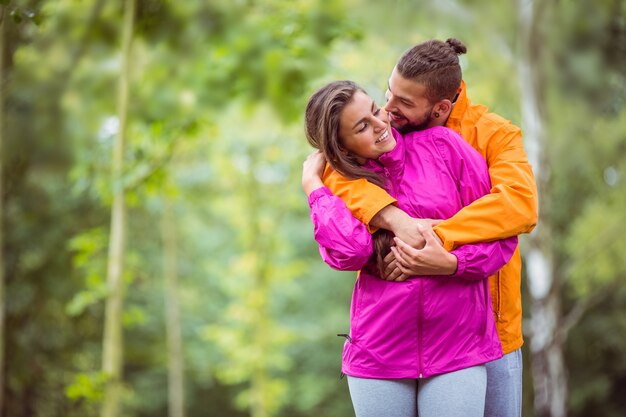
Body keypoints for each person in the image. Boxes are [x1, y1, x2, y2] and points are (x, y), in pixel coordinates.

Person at [320, 39, 538, 417]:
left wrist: (436, 245)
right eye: (388, 94)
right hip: (395, 339)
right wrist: (392, 218)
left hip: (494, 329)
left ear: (440, 107)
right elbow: (337, 172)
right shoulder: (391, 132)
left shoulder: (494, 135)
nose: (388, 110)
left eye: (403, 102)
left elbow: (518, 206)